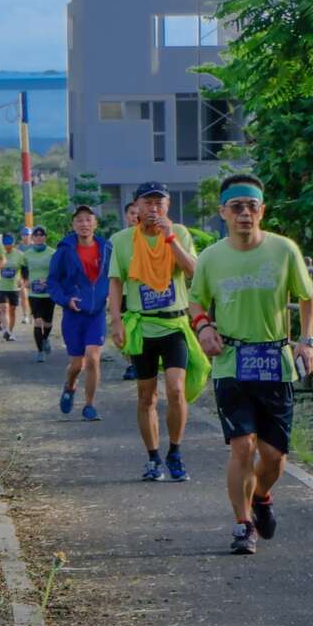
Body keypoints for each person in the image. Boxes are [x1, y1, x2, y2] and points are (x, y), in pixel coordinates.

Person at [191, 174, 313, 555]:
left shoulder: (284, 250)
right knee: (242, 447)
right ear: (223, 213)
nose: (245, 214)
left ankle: (261, 496)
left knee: (275, 457)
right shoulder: (211, 257)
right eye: (236, 207)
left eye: (252, 207)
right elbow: (196, 301)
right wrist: (204, 328)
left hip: (274, 361)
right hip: (232, 362)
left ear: (262, 211)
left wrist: (306, 341)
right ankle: (243, 524)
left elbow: (307, 298)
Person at [109, 182, 209, 484]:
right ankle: (153, 457)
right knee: (146, 396)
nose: (154, 209)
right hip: (142, 325)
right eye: (148, 203)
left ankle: (175, 452)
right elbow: (116, 281)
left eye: (159, 203)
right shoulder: (122, 240)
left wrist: (171, 239)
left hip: (175, 324)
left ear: (167, 207)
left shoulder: (179, 232)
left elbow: (193, 271)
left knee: (176, 390)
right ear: (136, 207)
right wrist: (116, 320)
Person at [48, 206, 112, 422]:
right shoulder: (64, 251)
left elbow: (115, 276)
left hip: (97, 314)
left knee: (93, 358)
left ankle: (89, 405)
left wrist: (114, 297)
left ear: (95, 224)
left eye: (88, 220)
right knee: (77, 364)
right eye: (79, 220)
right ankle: (70, 385)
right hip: (74, 315)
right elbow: (53, 281)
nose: (84, 224)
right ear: (73, 225)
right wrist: (66, 300)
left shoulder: (106, 248)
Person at [22, 226, 55, 363]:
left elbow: (56, 271)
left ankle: (46, 338)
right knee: (37, 322)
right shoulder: (27, 254)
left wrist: (48, 281)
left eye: (42, 235)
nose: (39, 237)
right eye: (36, 235)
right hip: (34, 294)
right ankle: (40, 351)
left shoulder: (52, 253)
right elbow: (24, 269)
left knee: (47, 323)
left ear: (45, 237)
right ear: (33, 238)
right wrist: (26, 280)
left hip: (48, 293)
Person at [120, 201, 141, 381]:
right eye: (132, 213)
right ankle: (131, 363)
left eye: (137, 213)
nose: (135, 216)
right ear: (126, 216)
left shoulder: (151, 237)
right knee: (126, 330)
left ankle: (142, 362)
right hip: (124, 293)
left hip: (143, 294)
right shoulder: (119, 239)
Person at [0, 233, 26, 341]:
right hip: (1, 286)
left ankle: (10, 331)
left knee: (12, 310)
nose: (7, 245)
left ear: (13, 242)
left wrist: (23, 279)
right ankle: (6, 331)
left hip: (14, 287)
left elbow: (24, 269)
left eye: (10, 242)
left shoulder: (20, 255)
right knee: (4, 308)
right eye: (5, 242)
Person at [18, 226, 33, 324]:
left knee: (33, 295)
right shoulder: (18, 247)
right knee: (23, 294)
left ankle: (33, 313)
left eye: (27, 235)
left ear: (30, 235)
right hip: (22, 272)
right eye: (23, 235)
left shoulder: (35, 246)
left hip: (33, 272)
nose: (25, 237)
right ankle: (25, 315)